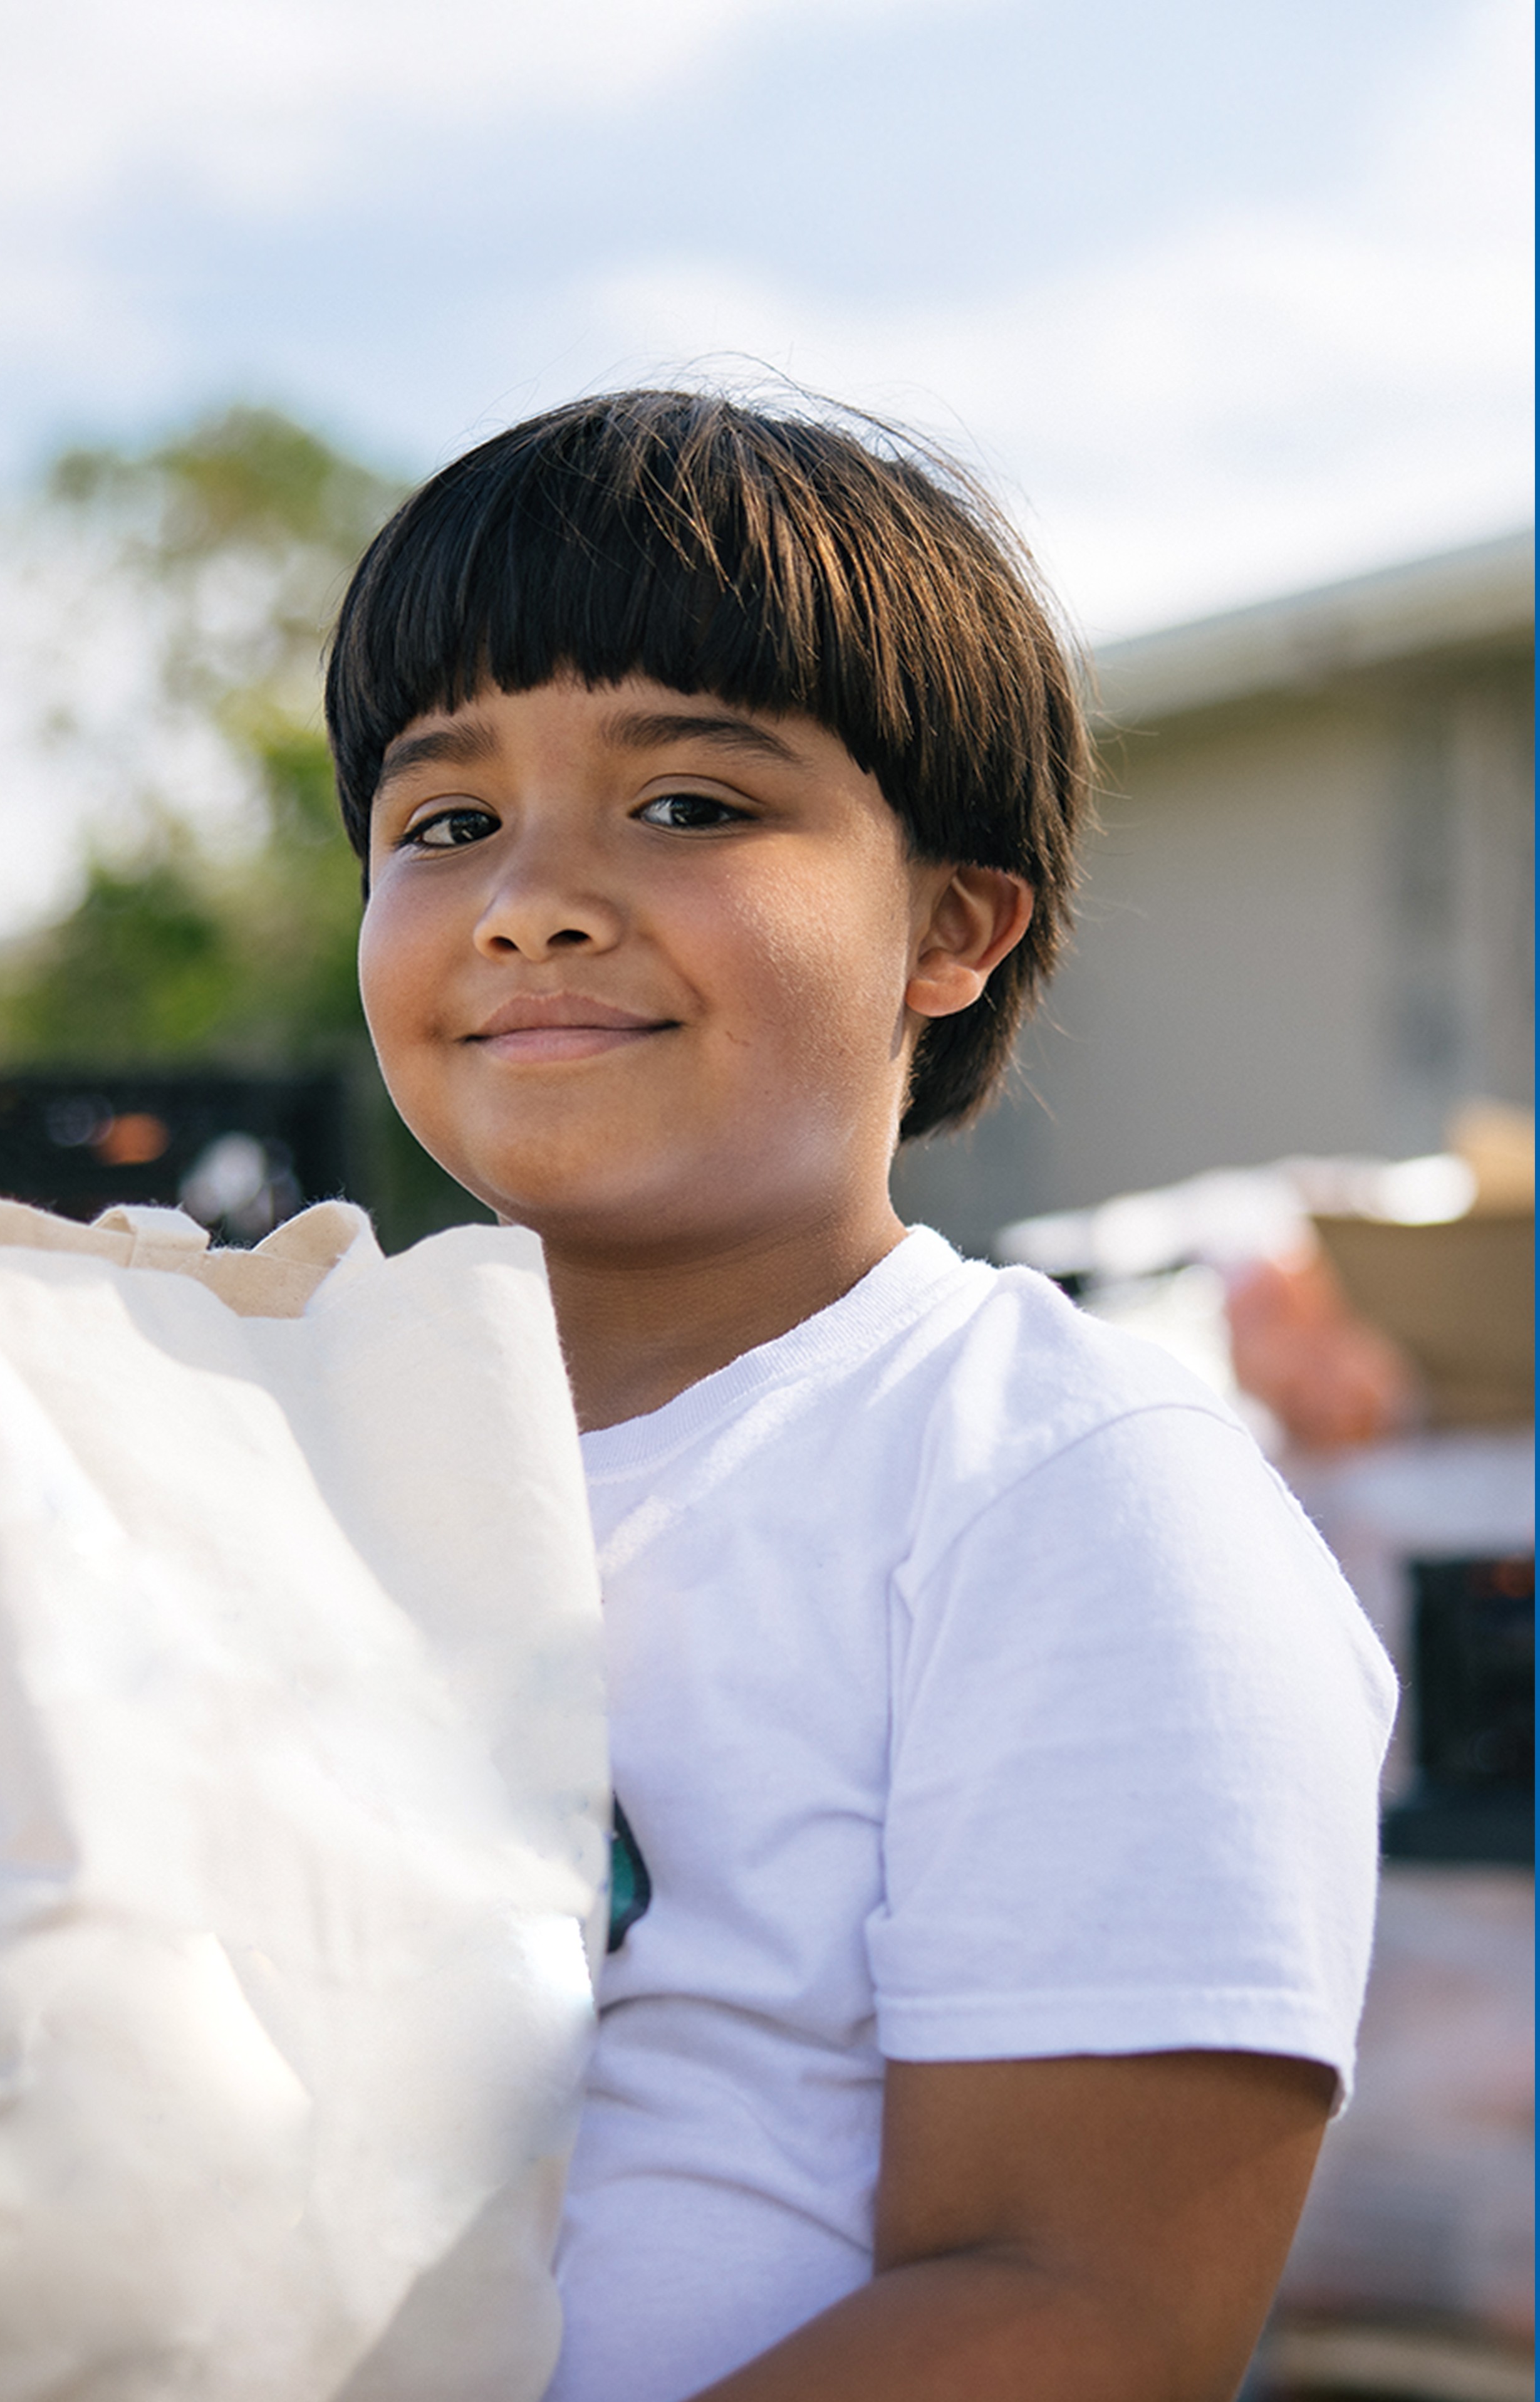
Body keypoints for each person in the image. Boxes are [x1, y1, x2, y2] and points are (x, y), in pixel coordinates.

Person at [323, 388, 1395, 2402]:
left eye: (687, 805)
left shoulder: (1058, 1482)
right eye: (446, 822)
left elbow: (1086, 2307)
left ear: (952, 927)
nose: (531, 896)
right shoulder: (271, 1459)